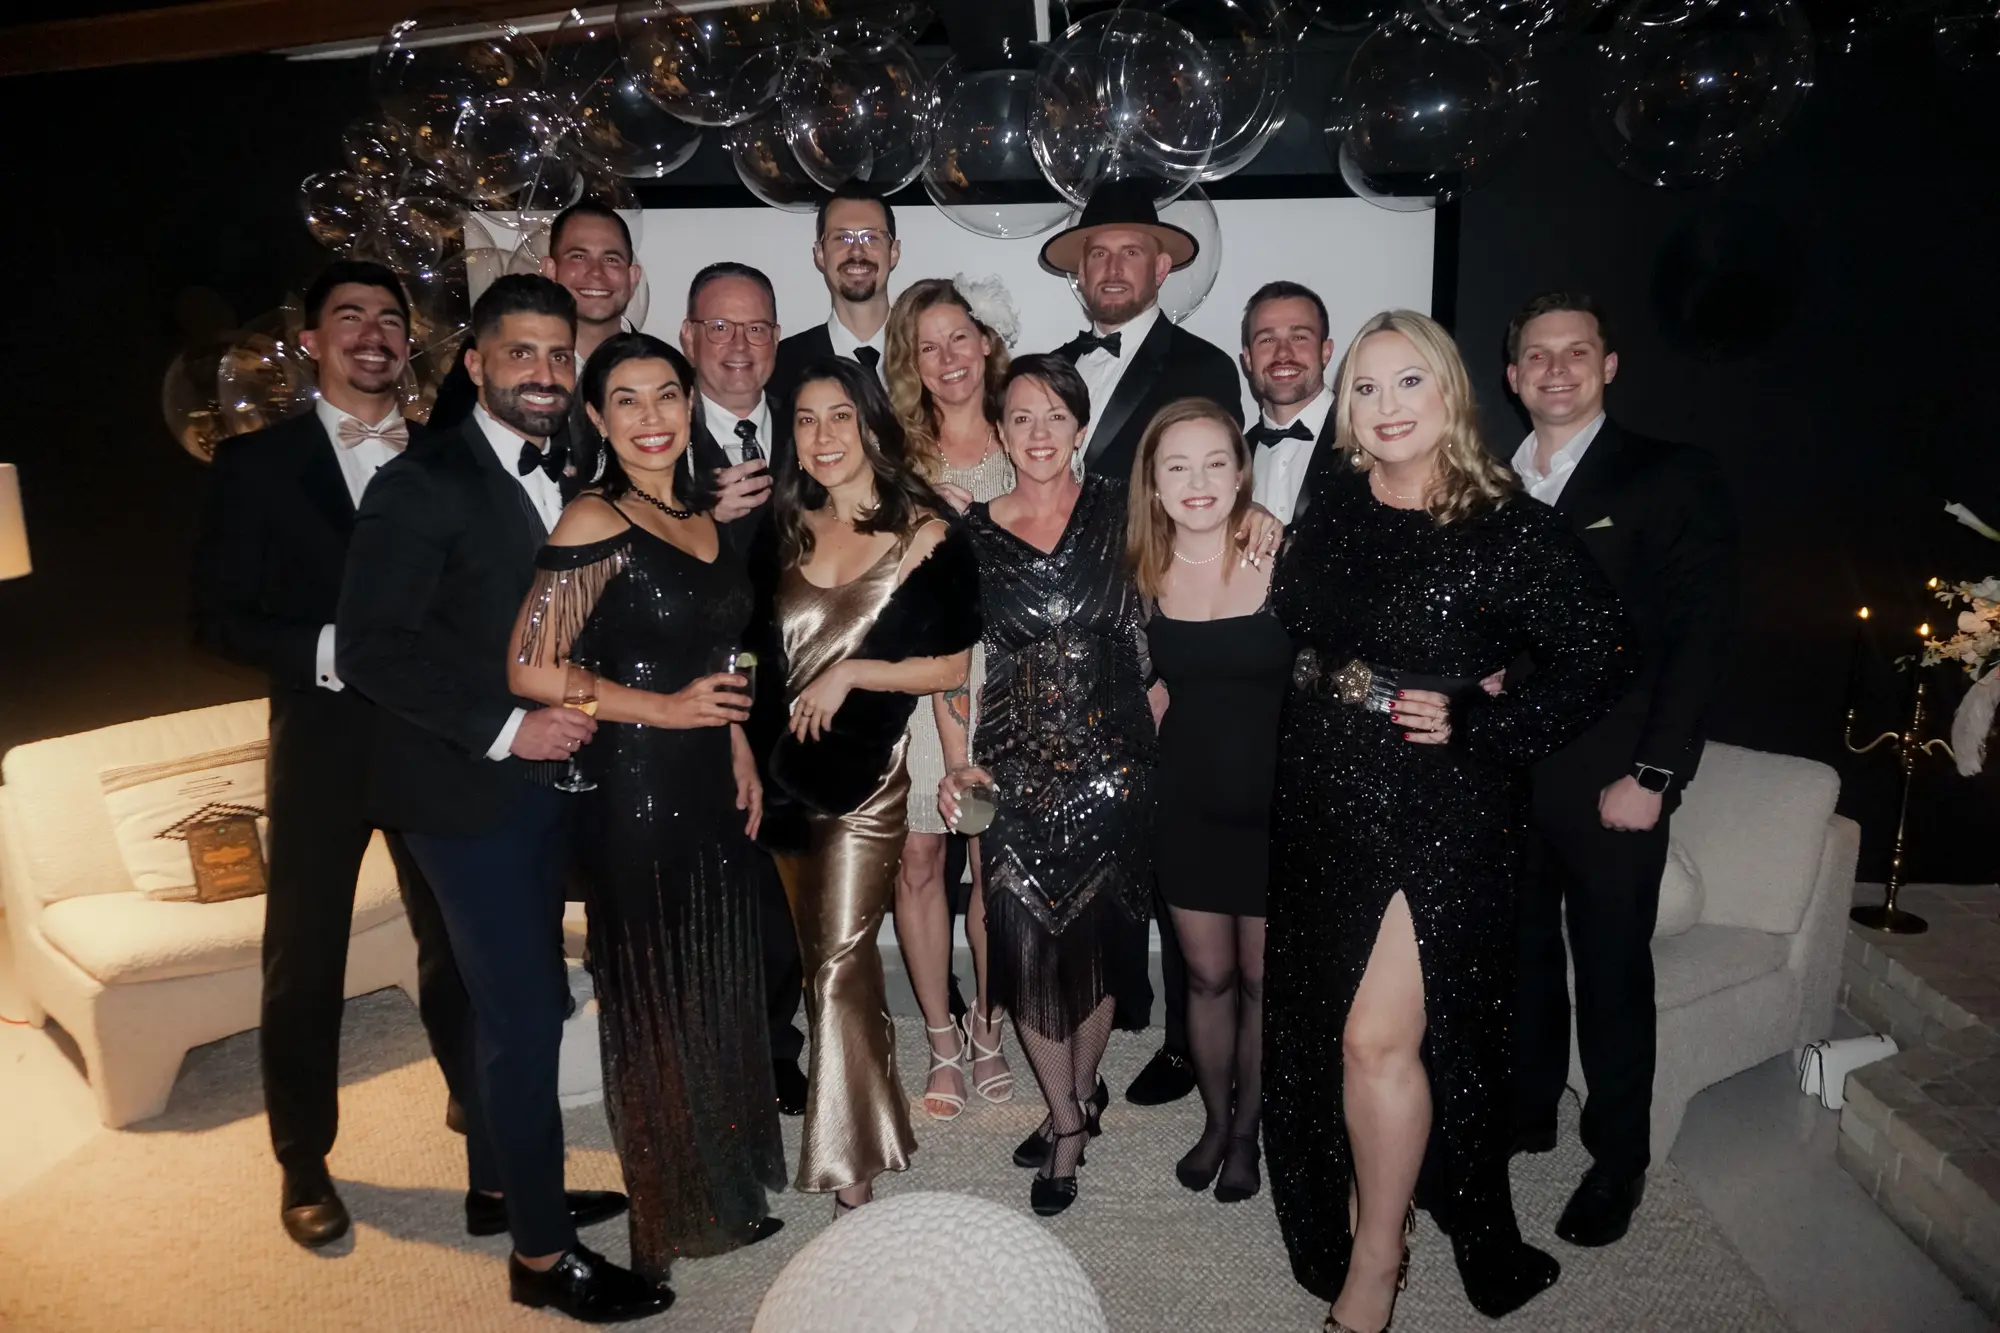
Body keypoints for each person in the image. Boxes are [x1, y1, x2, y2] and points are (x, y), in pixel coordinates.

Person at [1262, 309, 1635, 1333]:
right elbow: (1297, 611)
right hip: (1321, 788)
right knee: (1326, 1028)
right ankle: (1367, 1201)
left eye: (1407, 383)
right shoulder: (1334, 496)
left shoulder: (1503, 523)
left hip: (1438, 806)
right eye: (1367, 389)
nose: (1386, 407)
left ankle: (1376, 1260)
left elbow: (1599, 654)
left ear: (1449, 394)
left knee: (1372, 1041)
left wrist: (1483, 717)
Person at [337, 274, 663, 1323]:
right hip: (458, 789)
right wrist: (507, 724)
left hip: (544, 778)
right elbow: (373, 649)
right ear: (473, 363)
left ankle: (494, 1184)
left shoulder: (570, 462)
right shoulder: (418, 481)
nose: (544, 375)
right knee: (528, 1012)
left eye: (559, 357)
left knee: (497, 1000)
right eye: (521, 354)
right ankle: (537, 1260)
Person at [191, 260, 478, 1250]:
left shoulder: (453, 451)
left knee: (455, 940)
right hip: (322, 740)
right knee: (303, 958)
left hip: (434, 735)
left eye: (389, 319)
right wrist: (328, 649)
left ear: (408, 343)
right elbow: (218, 620)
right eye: (348, 316)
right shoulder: (255, 464)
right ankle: (303, 1156)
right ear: (310, 342)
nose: (372, 332)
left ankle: (474, 1100)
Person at [505, 333, 788, 1278]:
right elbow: (530, 665)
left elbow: (715, 653)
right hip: (634, 787)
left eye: (666, 394)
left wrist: (736, 739)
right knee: (655, 995)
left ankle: (722, 1182)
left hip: (709, 776)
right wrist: (664, 710)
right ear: (595, 418)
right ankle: (666, 1218)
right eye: (625, 400)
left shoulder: (702, 515)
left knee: (713, 971)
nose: (653, 416)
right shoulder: (594, 518)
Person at [1504, 292, 1739, 1247]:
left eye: (1575, 352)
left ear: (1608, 365)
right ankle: (1525, 1114)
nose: (1555, 369)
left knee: (1609, 974)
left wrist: (1655, 774)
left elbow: (1700, 638)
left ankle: (1618, 1157)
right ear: (1513, 375)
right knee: (1518, 963)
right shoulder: (1488, 480)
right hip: (1508, 772)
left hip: (1614, 779)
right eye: (1536, 355)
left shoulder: (1669, 475)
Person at [1039, 177, 1249, 1105]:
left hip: (1164, 625)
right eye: (1097, 254)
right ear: (1079, 275)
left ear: (1163, 265)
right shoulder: (1044, 369)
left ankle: (1176, 1039)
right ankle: (1102, 1007)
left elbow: (1218, 498)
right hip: (1062, 630)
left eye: (1131, 251)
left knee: (1173, 843)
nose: (1112, 266)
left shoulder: (1205, 364)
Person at [761, 356, 980, 1215]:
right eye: (807, 420)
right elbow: (755, 648)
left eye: (839, 417)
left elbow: (950, 663)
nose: (822, 436)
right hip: (784, 781)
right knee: (824, 961)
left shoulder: (921, 532)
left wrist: (853, 672)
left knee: (843, 961)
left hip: (864, 778)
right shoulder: (785, 527)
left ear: (870, 426)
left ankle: (849, 1166)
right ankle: (876, 1114)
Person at [940, 355, 1156, 1216]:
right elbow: (955, 668)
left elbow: (1168, 621)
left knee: (1100, 948)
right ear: (1000, 430)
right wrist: (958, 758)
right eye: (1020, 417)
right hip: (1009, 770)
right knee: (1025, 952)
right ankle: (1068, 1115)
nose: (1037, 433)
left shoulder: (1125, 508)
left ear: (1079, 424)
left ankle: (1077, 1100)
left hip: (1117, 767)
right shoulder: (969, 535)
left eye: (1054, 416)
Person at [1125, 398, 1289, 1205]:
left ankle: (1249, 1130)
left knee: (1265, 984)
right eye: (1177, 466)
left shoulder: (1281, 557)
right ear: (1153, 485)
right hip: (1185, 807)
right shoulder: (1141, 574)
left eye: (1216, 463)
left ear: (1241, 474)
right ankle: (1215, 1121)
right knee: (1207, 980)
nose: (1198, 481)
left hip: (1277, 807)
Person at [882, 276, 1018, 1119]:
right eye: (927, 346)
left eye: (959, 338)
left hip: (1007, 681)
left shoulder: (1028, 431)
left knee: (993, 869)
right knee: (923, 859)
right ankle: (939, 1033)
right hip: (925, 678)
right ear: (911, 361)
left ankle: (991, 1026)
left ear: (986, 342)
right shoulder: (894, 457)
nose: (947, 358)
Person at [678, 258, 808, 1113]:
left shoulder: (813, 423)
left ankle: (784, 1036)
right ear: (689, 338)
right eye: (718, 327)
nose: (737, 345)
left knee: (795, 888)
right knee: (728, 893)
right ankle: (744, 1049)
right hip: (699, 699)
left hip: (808, 695)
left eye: (756, 327)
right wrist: (702, 518)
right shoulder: (652, 433)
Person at [430, 200, 643, 433]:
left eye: (611, 259)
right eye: (578, 257)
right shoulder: (487, 356)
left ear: (632, 277)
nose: (595, 272)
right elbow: (438, 452)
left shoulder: (658, 364)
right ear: (550, 270)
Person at [769, 180, 900, 410]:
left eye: (871, 238)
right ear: (820, 254)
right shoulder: (781, 365)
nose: (857, 251)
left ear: (894, 252)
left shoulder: (929, 352)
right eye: (842, 238)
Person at [1240, 280, 1340, 527]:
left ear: (1325, 352)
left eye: (1298, 337)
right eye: (1267, 340)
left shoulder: (1365, 438)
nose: (1283, 353)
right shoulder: (1232, 456)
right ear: (1248, 359)